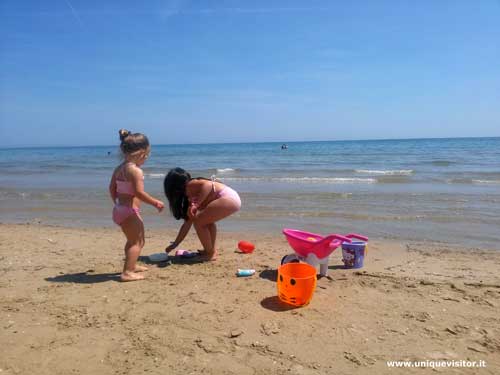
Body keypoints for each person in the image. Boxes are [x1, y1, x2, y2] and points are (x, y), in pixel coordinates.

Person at [109, 129, 164, 281]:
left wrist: (117, 203)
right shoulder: (135, 171)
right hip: (129, 211)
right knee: (137, 241)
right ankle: (127, 272)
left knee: (133, 240)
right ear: (141, 153)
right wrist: (155, 202)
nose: (146, 159)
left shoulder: (119, 168)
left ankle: (131, 265)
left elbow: (112, 188)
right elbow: (139, 193)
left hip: (120, 209)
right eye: (146, 156)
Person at [163, 167, 241, 261]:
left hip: (227, 198)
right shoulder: (190, 196)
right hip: (232, 198)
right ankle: (211, 251)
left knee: (199, 222)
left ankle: (209, 254)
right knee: (207, 223)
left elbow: (208, 184)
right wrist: (175, 244)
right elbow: (187, 224)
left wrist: (196, 204)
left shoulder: (190, 184)